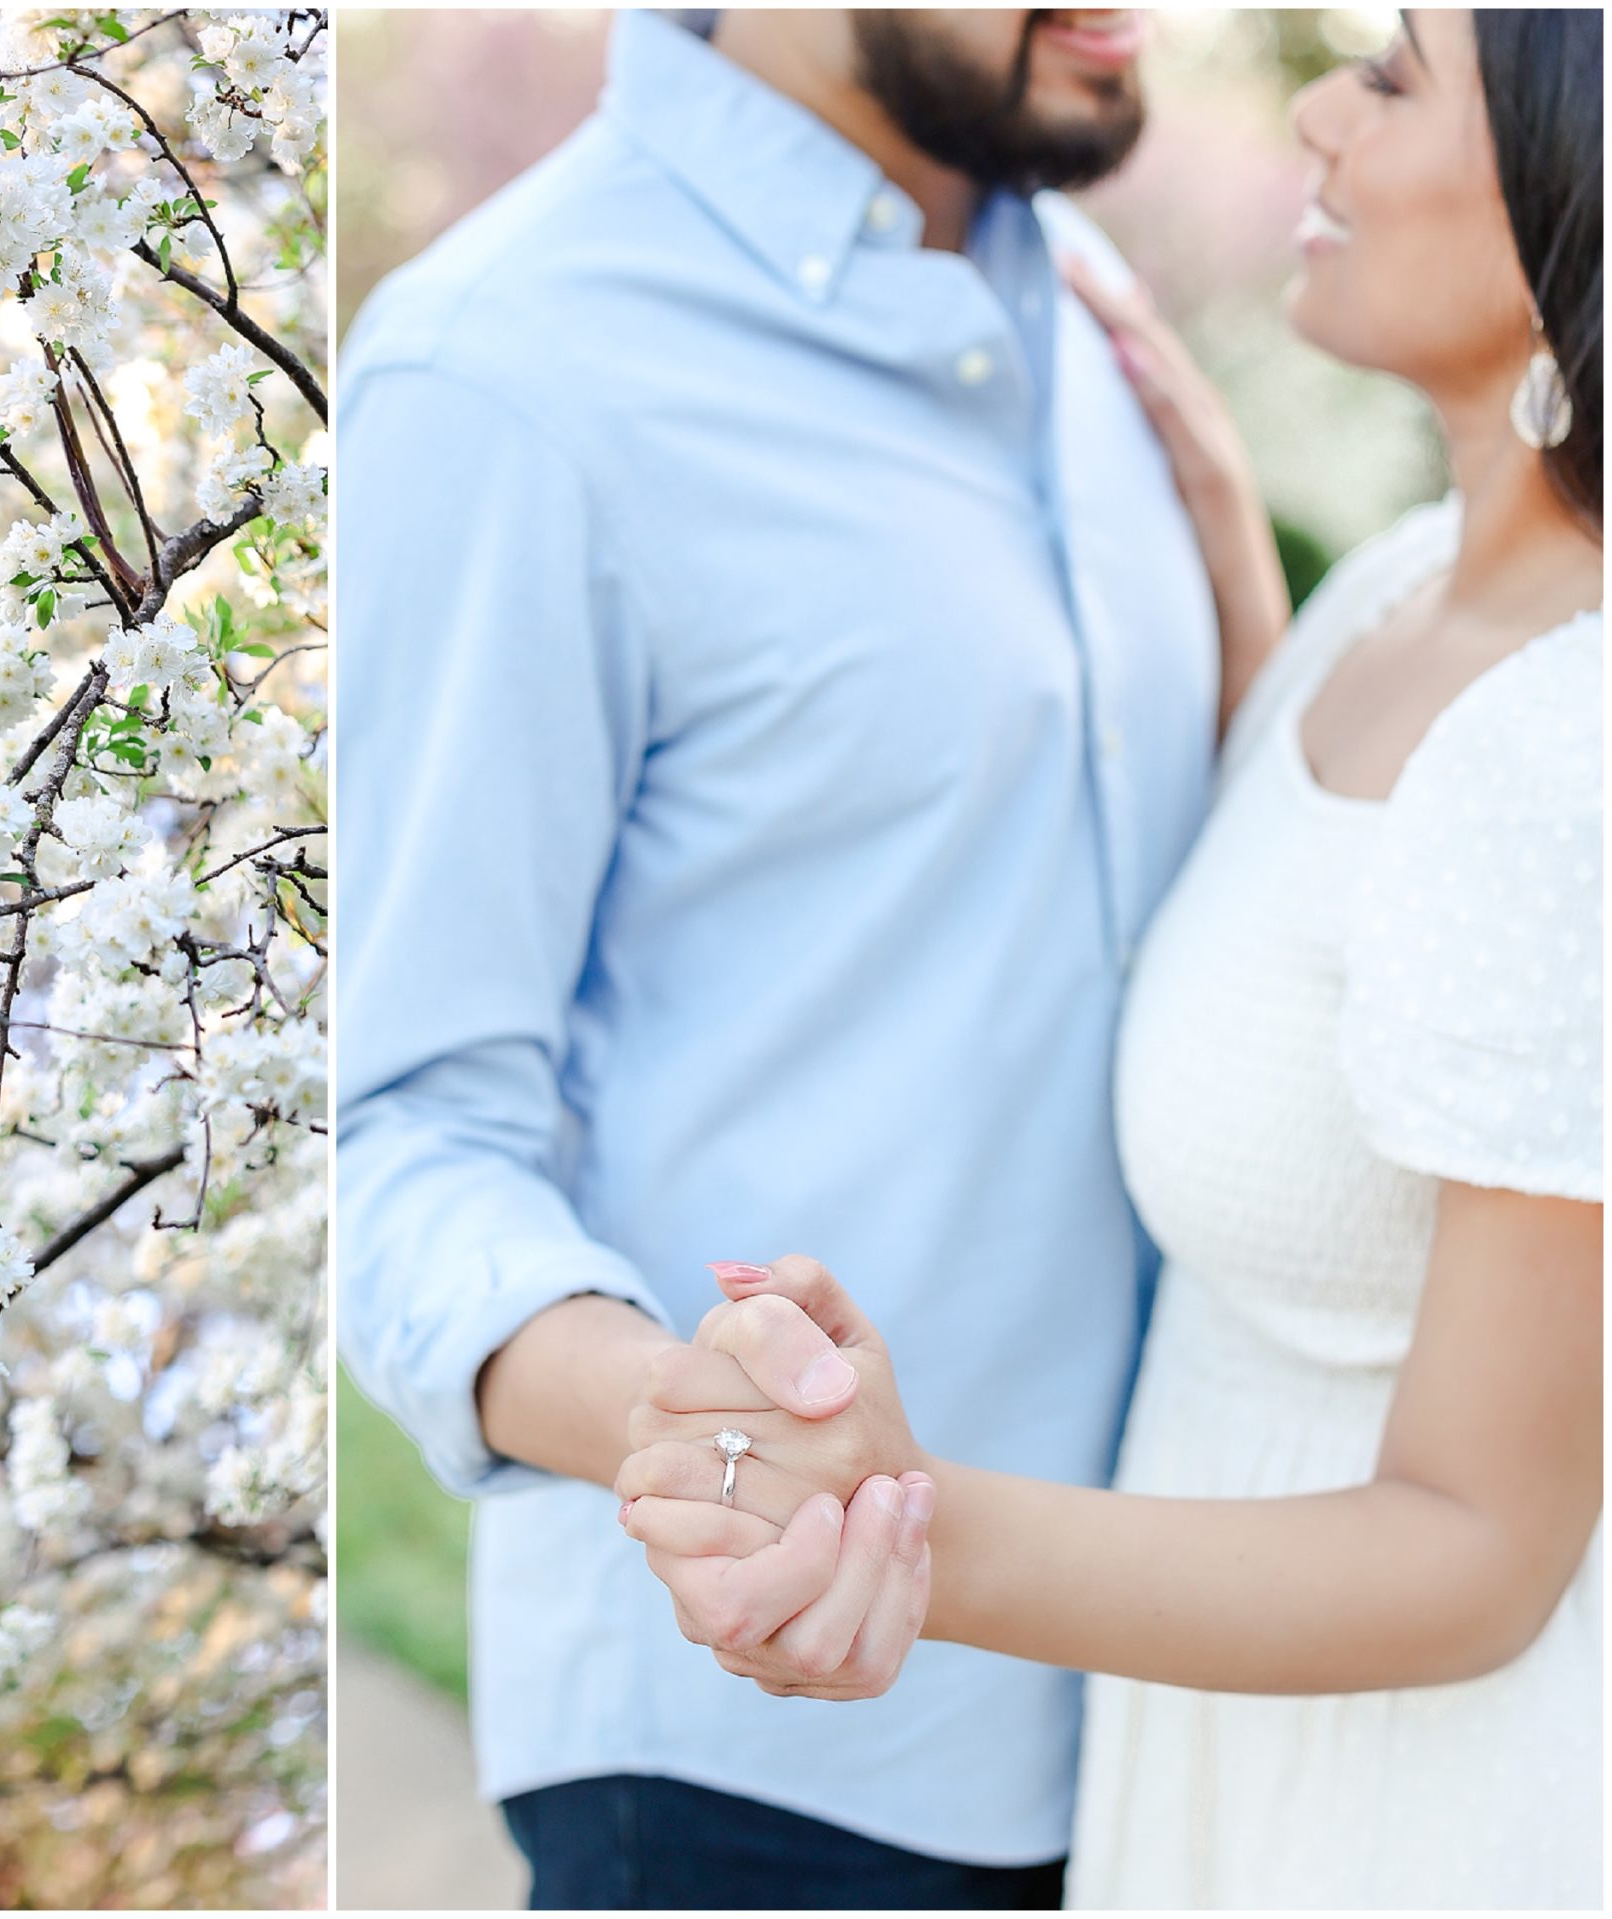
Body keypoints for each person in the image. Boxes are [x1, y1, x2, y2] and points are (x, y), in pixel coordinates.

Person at [619, 9, 1604, 1908]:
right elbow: (1333, 945)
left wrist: (894, 1523)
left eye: (1395, 75)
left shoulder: (1566, 750)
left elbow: (1482, 1546)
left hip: (1423, 1808)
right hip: (1242, 1749)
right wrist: (1229, 578)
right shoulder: (1399, 595)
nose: (1318, 101)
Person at [339, 8, 1217, 1906]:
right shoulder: (508, 368)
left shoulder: (1091, 305)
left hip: (1180, 1741)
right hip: (765, 1776)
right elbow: (392, 1134)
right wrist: (686, 1426)